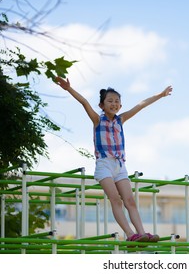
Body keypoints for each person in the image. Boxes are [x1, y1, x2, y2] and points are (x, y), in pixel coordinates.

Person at [55, 76, 172, 244]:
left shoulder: (121, 120)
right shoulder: (97, 120)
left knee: (130, 201)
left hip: (120, 165)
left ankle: (142, 233)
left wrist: (161, 95)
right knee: (116, 200)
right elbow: (84, 102)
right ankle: (131, 234)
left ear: (120, 105)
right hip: (104, 165)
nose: (114, 104)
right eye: (110, 101)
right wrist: (69, 89)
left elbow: (141, 105)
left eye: (117, 101)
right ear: (102, 105)